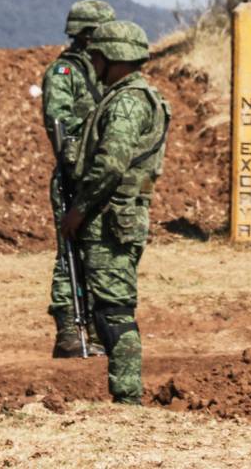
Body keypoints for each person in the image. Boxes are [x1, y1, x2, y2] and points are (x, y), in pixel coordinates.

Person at [59, 21, 171, 404]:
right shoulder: (129, 96)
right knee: (108, 307)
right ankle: (125, 396)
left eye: (97, 57)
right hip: (114, 216)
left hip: (109, 218)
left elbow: (111, 164)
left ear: (113, 58)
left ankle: (127, 397)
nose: (92, 64)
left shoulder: (126, 101)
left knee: (114, 310)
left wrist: (79, 209)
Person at [41, 0, 115, 357]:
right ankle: (70, 330)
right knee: (70, 251)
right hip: (74, 177)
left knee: (100, 252)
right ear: (87, 34)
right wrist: (76, 167)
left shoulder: (106, 70)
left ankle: (99, 331)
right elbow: (59, 124)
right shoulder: (64, 73)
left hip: (101, 174)